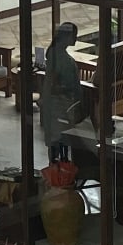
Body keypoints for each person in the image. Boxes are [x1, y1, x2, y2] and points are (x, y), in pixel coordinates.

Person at [40, 21, 82, 155]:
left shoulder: (56, 54)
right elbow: (52, 81)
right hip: (60, 103)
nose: (76, 39)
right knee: (58, 139)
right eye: (74, 36)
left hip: (63, 103)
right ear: (67, 37)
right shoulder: (59, 57)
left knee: (59, 140)